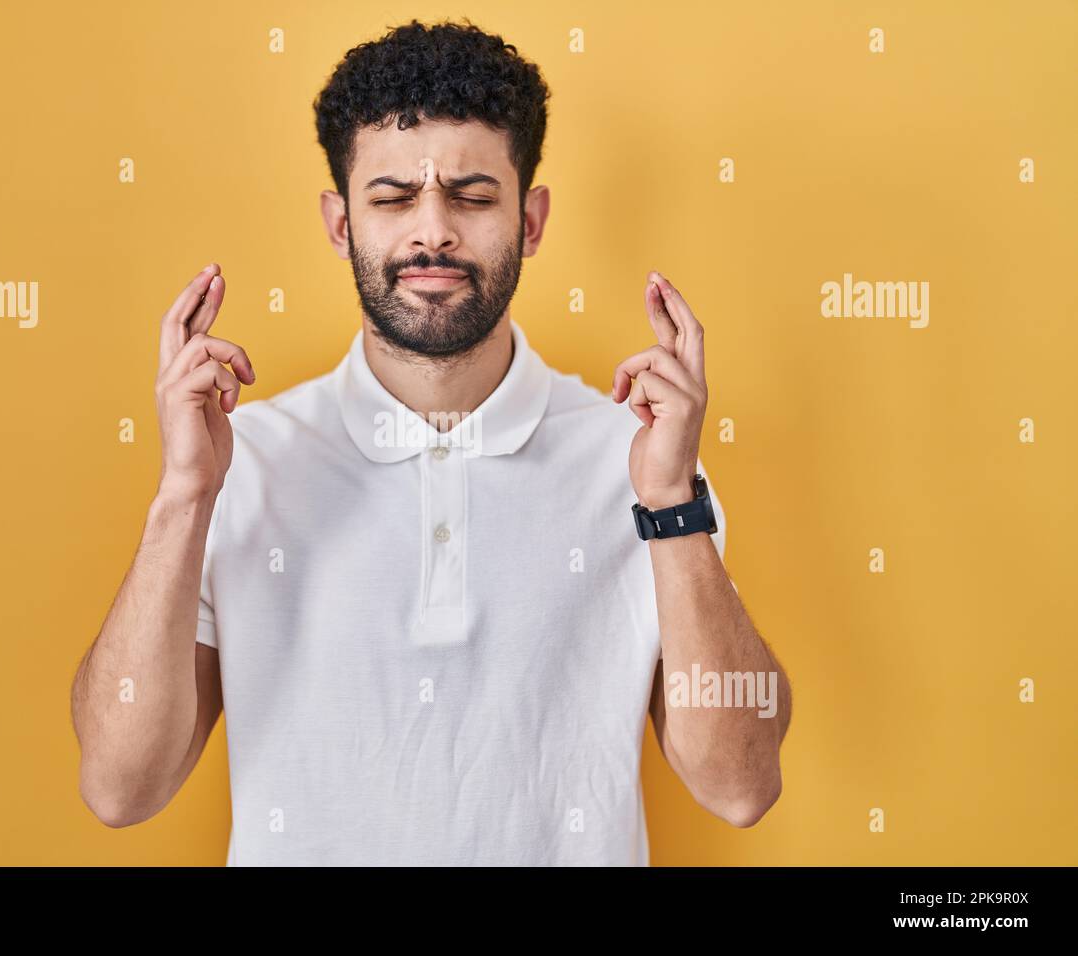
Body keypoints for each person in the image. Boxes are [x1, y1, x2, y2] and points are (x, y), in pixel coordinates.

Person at [71, 18, 790, 866]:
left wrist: (672, 508)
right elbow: (120, 787)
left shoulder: (641, 465)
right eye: (392, 198)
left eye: (474, 196)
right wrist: (183, 497)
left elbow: (738, 784)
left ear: (531, 219)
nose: (433, 232)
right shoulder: (242, 460)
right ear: (341, 224)